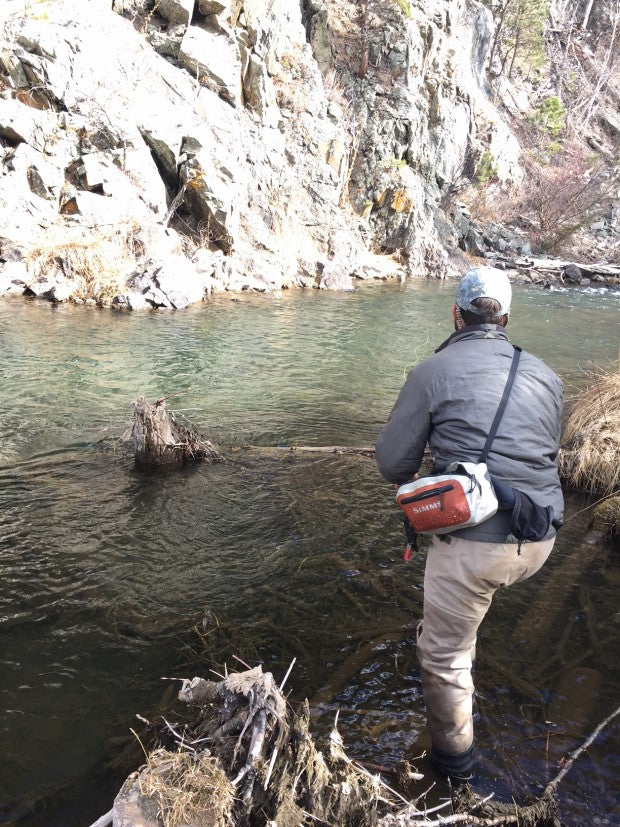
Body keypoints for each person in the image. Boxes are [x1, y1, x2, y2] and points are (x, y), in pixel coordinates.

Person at [374, 266, 564, 782]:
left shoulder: (431, 372)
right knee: (479, 593)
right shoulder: (546, 374)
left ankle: (455, 772)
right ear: (505, 318)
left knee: (445, 658)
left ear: (455, 315)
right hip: (541, 536)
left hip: (478, 544)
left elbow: (393, 466)